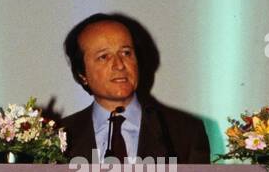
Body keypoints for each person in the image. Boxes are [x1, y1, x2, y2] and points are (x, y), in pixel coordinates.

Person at [60, 12, 211, 163]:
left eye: (126, 53)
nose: (119, 65)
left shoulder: (184, 131)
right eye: (104, 57)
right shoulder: (58, 135)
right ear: (82, 74)